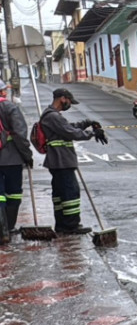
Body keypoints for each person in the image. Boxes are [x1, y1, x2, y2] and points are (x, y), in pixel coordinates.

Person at [40, 88, 108, 235]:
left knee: (60, 194)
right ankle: (71, 225)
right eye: (69, 101)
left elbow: (69, 127)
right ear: (62, 99)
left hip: (59, 160)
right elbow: (70, 132)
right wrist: (92, 133)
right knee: (70, 193)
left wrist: (87, 123)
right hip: (61, 160)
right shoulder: (52, 116)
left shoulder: (53, 115)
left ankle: (62, 224)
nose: (69, 104)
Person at [0, 80, 33, 243]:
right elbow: (20, 134)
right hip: (11, 158)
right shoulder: (10, 108)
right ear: (2, 92)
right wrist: (27, 155)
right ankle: (9, 227)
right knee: (13, 193)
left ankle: (2, 230)